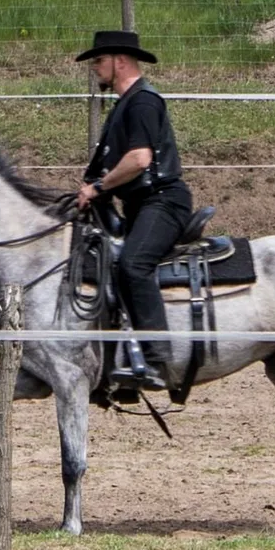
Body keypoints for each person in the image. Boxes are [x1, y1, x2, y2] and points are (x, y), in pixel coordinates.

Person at [74, 30, 193, 392]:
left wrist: (97, 187)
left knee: (133, 264)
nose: (95, 68)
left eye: (98, 61)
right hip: (142, 205)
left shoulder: (142, 102)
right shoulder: (126, 103)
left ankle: (157, 359)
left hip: (163, 203)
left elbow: (139, 159)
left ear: (119, 61)